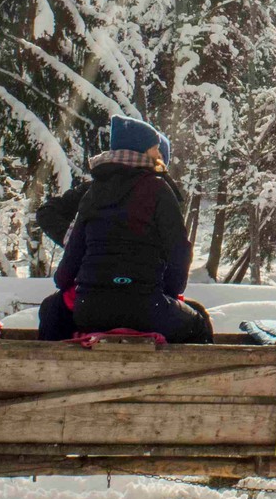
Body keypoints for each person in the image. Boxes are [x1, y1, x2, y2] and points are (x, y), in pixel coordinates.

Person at [33, 114, 212, 344]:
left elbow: (70, 260)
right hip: (146, 308)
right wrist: (168, 291)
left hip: (90, 310)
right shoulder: (158, 190)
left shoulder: (92, 193)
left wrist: (74, 281)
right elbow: (179, 250)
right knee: (197, 323)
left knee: (52, 310)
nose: (159, 154)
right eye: (155, 148)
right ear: (141, 150)